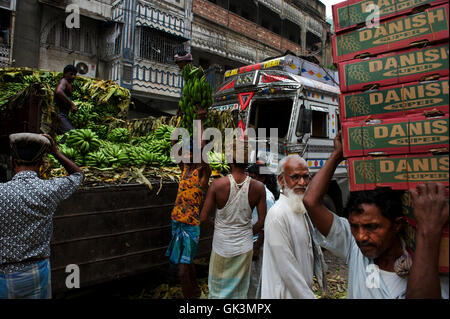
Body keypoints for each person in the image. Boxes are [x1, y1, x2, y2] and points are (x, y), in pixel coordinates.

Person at [303, 132, 449, 299]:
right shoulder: (354, 247)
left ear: (397, 225)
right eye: (354, 226)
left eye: (371, 227)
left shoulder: (423, 264)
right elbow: (310, 201)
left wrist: (428, 231)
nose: (361, 236)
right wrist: (338, 155)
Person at [0, 133, 84, 299]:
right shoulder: (49, 189)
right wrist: (55, 152)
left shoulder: (1, 192)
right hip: (37, 272)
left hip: (4, 273)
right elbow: (78, 175)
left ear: (11, 161)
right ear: (40, 164)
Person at [200, 138, 267, 299]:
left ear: (230, 160)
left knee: (217, 291)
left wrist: (217, 226)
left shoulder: (217, 185)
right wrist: (248, 232)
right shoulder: (258, 187)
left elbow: (203, 218)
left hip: (221, 244)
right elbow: (262, 221)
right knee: (239, 292)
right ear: (248, 161)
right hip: (244, 246)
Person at [261, 155, 326, 299]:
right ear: (281, 180)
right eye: (295, 177)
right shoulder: (277, 215)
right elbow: (288, 269)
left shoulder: (299, 209)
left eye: (306, 177)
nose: (302, 182)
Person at [165, 106, 211, 299]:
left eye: (189, 153)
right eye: (184, 153)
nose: (185, 155)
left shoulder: (202, 175)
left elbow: (201, 149)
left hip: (191, 227)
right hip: (177, 222)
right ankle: (195, 292)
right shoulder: (184, 169)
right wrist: (179, 120)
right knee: (186, 265)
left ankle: (189, 299)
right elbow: (173, 142)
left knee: (182, 271)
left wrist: (199, 121)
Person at [246, 161, 277, 299]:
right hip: (253, 242)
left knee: (256, 279)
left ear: (262, 178)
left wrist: (257, 246)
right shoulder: (257, 191)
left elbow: (266, 225)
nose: (249, 180)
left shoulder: (267, 196)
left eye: (252, 177)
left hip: (258, 243)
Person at [54, 65, 78, 135]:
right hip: (59, 113)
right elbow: (59, 91)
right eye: (71, 74)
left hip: (63, 114)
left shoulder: (68, 84)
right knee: (72, 134)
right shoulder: (63, 81)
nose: (73, 76)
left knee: (61, 135)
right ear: (65, 74)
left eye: (75, 74)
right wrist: (72, 104)